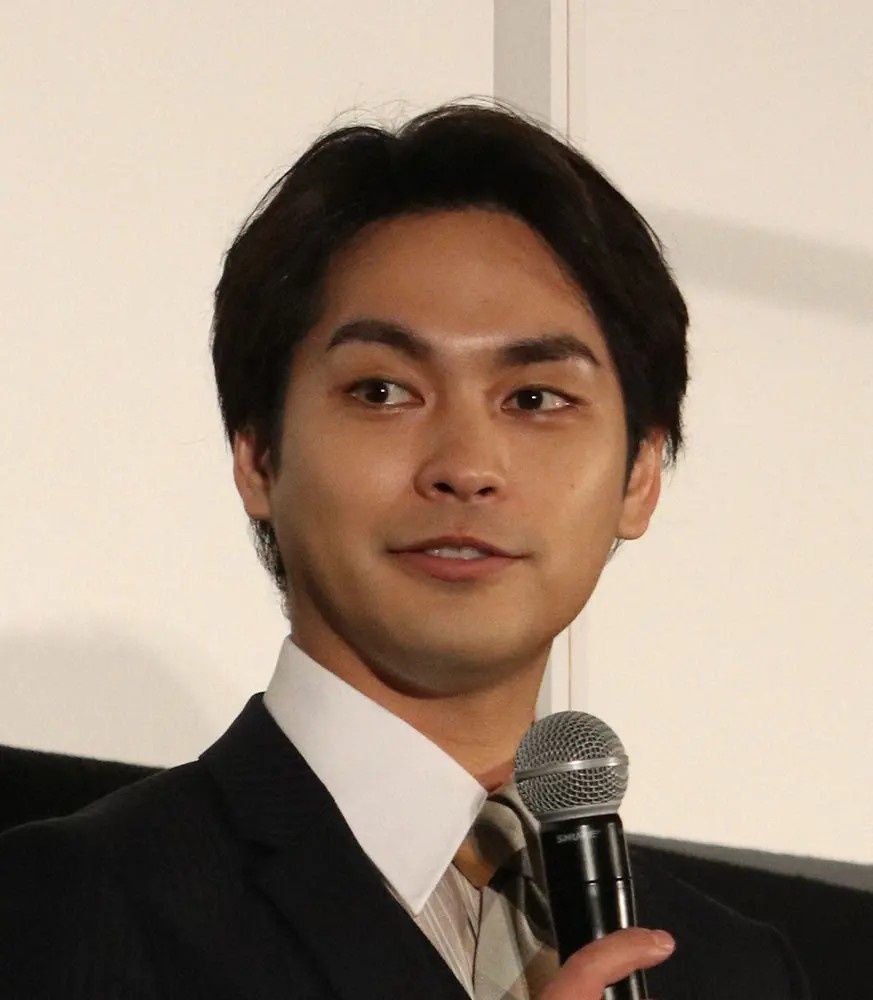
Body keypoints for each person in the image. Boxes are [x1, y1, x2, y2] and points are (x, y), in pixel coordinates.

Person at [0, 99, 810, 999]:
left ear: (640, 476)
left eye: (535, 399)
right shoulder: (56, 910)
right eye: (383, 391)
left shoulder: (733, 971)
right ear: (259, 456)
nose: (466, 468)